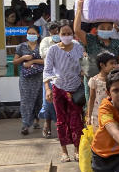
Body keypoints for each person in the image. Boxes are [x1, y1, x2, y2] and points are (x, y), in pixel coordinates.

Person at [43, 23, 86, 162]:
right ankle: (64, 151)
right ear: (59, 34)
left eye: (69, 33)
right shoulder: (53, 50)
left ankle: (77, 150)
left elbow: (84, 66)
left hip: (75, 89)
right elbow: (47, 70)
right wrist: (47, 89)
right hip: (59, 87)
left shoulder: (78, 48)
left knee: (76, 121)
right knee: (61, 121)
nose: (67, 36)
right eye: (64, 33)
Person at [14, 25, 45, 136]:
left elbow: (47, 60)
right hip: (26, 78)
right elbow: (15, 61)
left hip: (40, 77)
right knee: (26, 100)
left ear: (38, 34)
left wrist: (32, 61)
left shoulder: (42, 46)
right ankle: (25, 124)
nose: (31, 35)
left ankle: (37, 121)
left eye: (33, 33)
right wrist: (23, 58)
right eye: (29, 33)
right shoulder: (21, 47)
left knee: (39, 99)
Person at [38, 21, 62, 137]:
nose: (56, 34)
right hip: (49, 76)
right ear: (49, 33)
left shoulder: (66, 39)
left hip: (64, 76)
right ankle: (46, 124)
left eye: (58, 32)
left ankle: (61, 126)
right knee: (48, 103)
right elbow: (45, 57)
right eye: (53, 33)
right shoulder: (45, 41)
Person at [87, 51, 119, 132]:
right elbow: (91, 98)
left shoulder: (116, 80)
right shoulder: (94, 80)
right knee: (100, 136)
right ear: (102, 65)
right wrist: (89, 116)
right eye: (111, 63)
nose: (114, 66)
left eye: (115, 63)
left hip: (113, 112)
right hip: (98, 114)